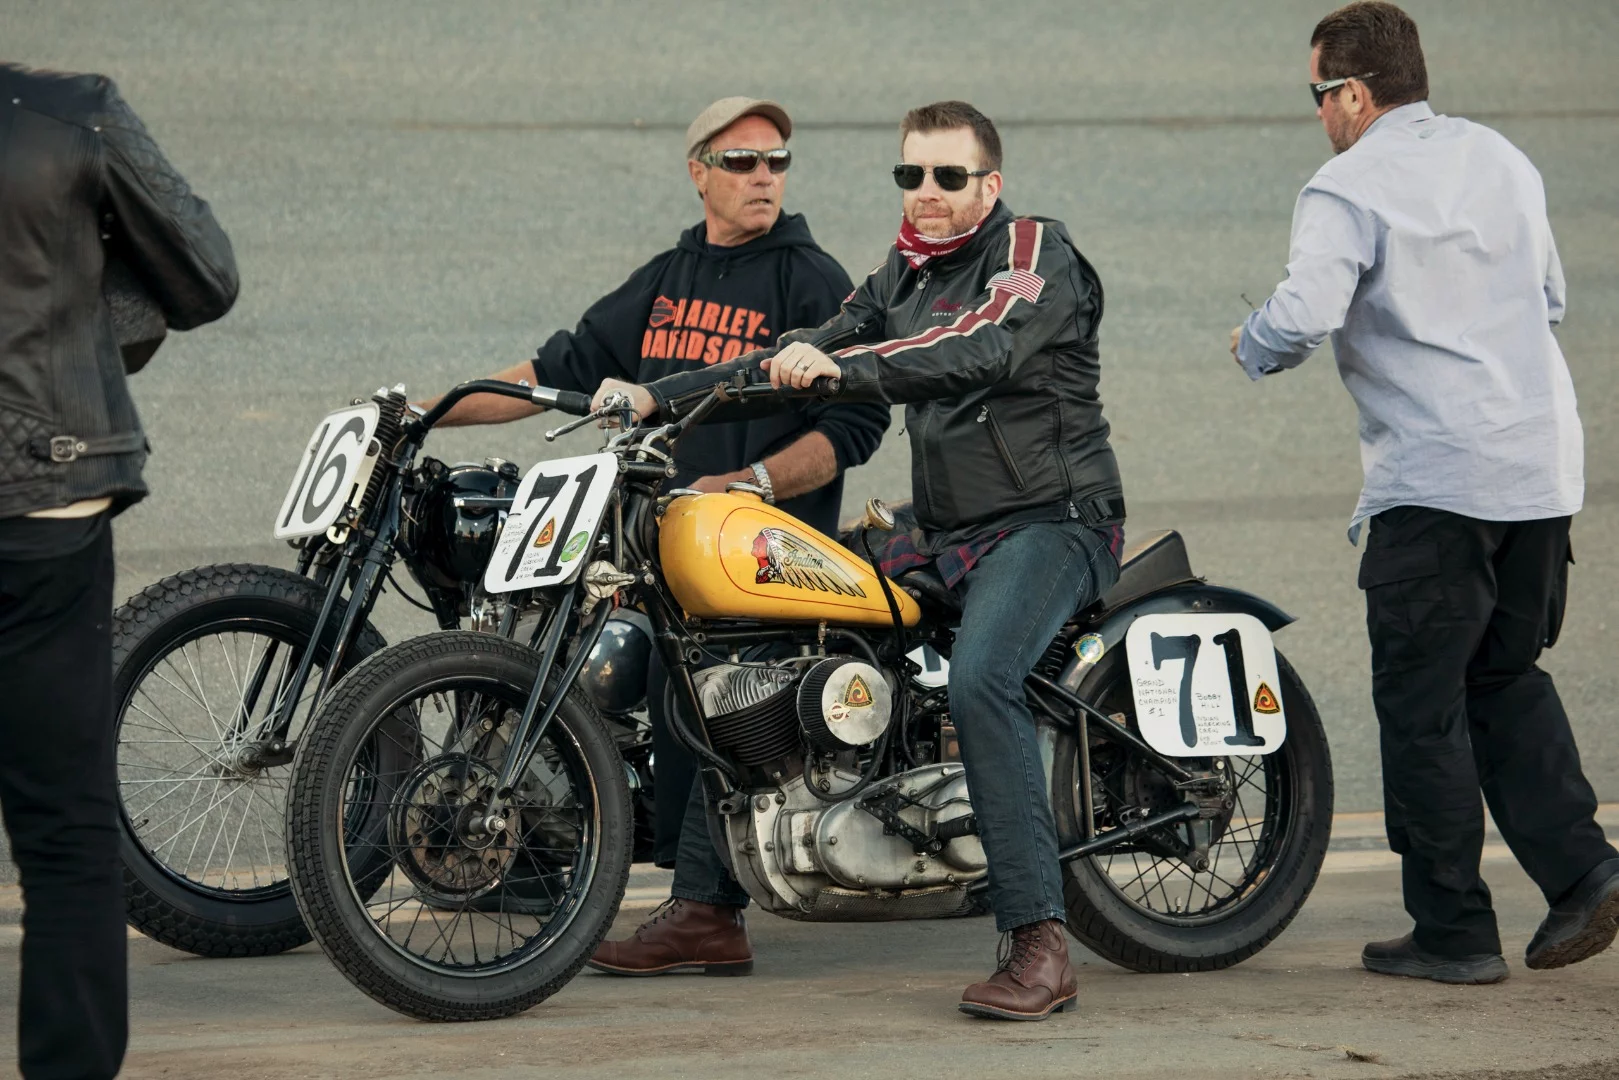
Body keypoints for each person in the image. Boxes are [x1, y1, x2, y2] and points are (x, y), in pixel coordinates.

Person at [588, 100, 1125, 1023]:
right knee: (762, 626)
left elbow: (980, 347)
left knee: (983, 680)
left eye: (947, 177)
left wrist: (847, 370)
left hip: (1052, 522)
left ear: (988, 186)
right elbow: (780, 358)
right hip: (942, 530)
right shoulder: (900, 276)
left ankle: (1039, 941)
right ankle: (709, 910)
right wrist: (653, 397)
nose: (925, 193)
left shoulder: (1035, 251)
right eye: (909, 175)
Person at [1229, 2, 1618, 985]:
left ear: (1351, 93)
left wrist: (1251, 343)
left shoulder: (1343, 184)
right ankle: (1584, 871)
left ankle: (1451, 929)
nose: (1317, 116)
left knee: (1420, 707)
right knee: (1501, 676)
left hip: (1436, 482)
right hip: (1536, 474)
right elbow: (1550, 297)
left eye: (1315, 95)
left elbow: (1304, 312)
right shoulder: (1501, 159)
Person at [420, 96, 889, 886]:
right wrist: (427, 414)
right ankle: (539, 866)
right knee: (574, 657)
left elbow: (854, 426)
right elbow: (553, 374)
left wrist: (747, 485)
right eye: (741, 162)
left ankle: (700, 905)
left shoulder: (808, 279)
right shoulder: (668, 280)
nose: (763, 177)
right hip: (664, 557)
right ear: (698, 172)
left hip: (755, 565)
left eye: (776, 161)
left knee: (688, 696)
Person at [0, 64, 238, 1078]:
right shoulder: (68, 111)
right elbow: (203, 275)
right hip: (47, 494)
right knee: (63, 832)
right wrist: (90, 311)